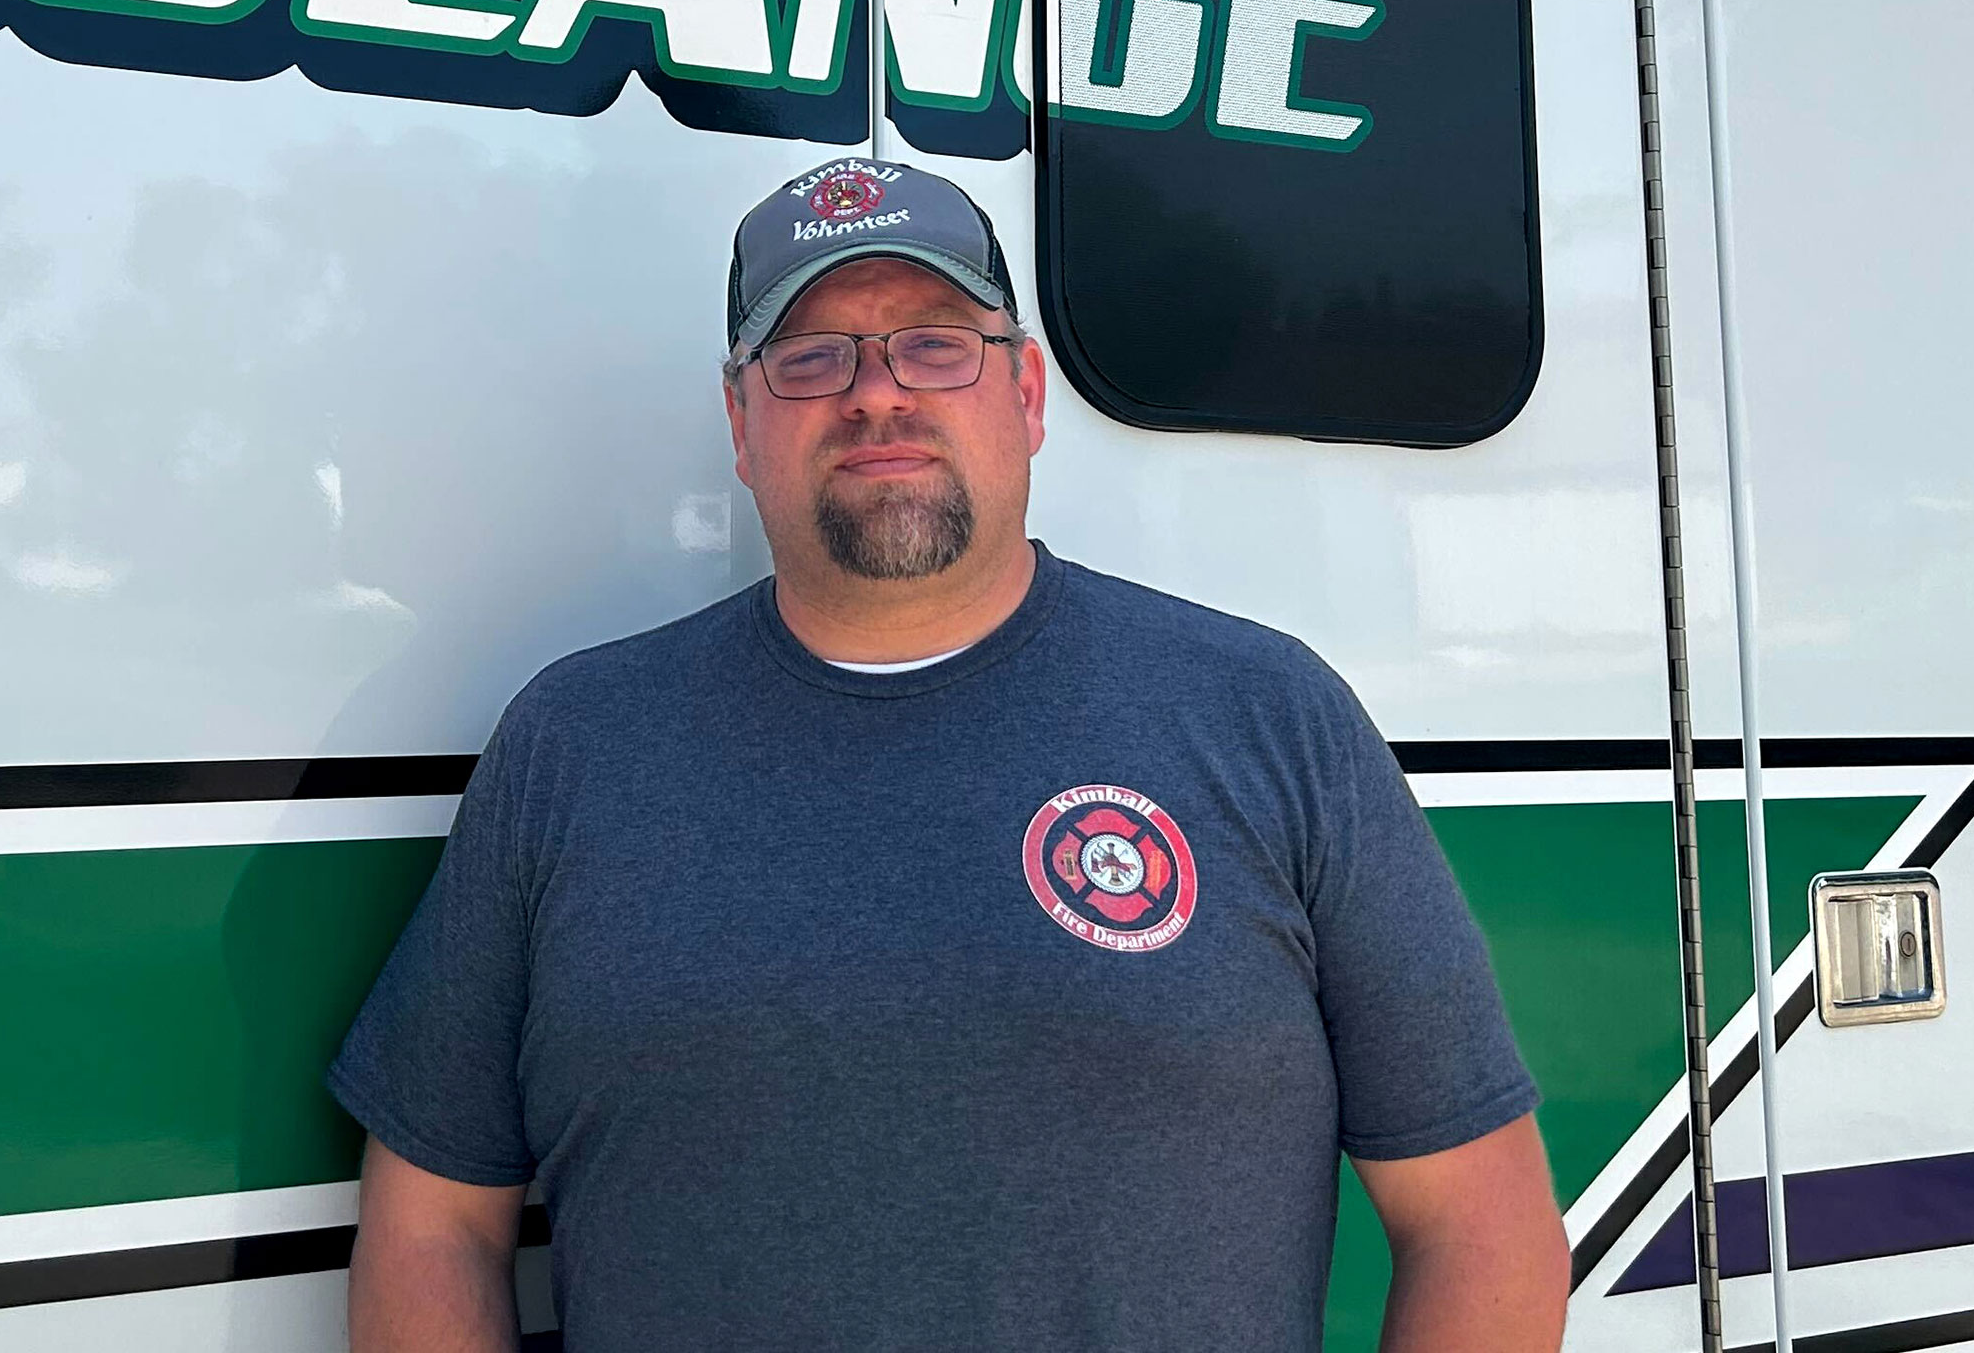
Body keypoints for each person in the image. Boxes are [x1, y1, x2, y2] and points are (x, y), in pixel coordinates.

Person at [329, 155, 1571, 1351]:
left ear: (1025, 395)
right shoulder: (575, 747)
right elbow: (432, 1221)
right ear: (740, 419)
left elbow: (1483, 1227)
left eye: (936, 343)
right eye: (811, 357)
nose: (878, 392)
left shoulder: (1268, 717)